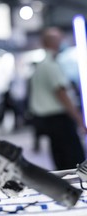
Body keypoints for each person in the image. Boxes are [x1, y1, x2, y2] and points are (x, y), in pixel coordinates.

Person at [29, 27, 86, 170]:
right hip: (60, 120)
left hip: (48, 121)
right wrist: (79, 120)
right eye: (60, 39)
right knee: (74, 159)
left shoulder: (41, 66)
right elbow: (62, 94)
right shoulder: (51, 65)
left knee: (60, 157)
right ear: (53, 42)